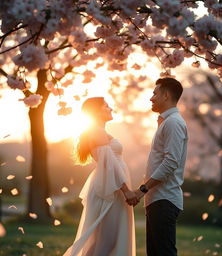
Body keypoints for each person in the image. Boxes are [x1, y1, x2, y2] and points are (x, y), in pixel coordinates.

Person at [63, 97, 137, 256]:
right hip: (109, 188)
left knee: (106, 240)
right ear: (96, 111)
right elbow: (108, 164)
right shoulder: (97, 132)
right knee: (106, 241)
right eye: (106, 106)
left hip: (112, 185)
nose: (111, 109)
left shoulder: (100, 131)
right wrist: (126, 191)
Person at [133, 77, 188, 256]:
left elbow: (171, 163)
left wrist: (143, 189)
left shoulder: (173, 123)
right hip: (158, 200)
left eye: (155, 93)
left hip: (164, 200)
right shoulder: (166, 122)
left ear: (165, 96)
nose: (151, 98)